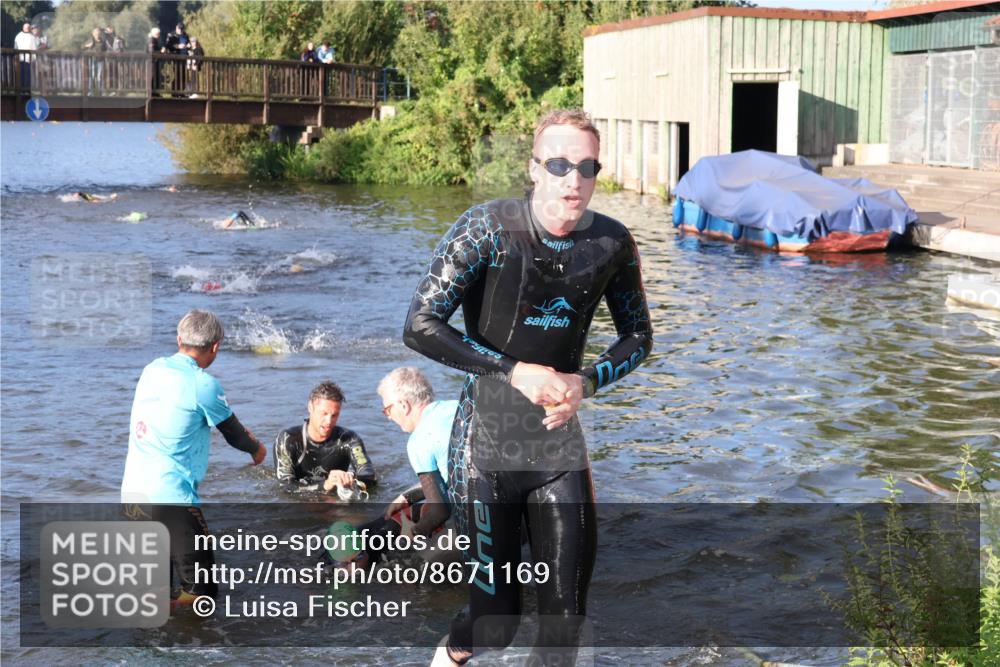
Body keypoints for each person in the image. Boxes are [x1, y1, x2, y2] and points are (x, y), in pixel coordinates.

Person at [402, 108, 654, 665]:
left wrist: (586, 382)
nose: (573, 179)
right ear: (534, 168)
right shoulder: (487, 229)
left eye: (586, 167)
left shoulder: (611, 243)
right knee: (496, 624)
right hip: (485, 448)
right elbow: (419, 325)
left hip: (558, 448)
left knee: (565, 625)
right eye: (559, 164)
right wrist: (514, 371)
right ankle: (448, 657)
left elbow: (638, 336)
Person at [121, 309, 267, 605]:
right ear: (216, 346)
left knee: (152, 591)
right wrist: (258, 450)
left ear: (179, 339)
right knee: (202, 594)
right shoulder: (203, 384)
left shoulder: (152, 369)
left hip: (132, 497)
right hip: (172, 501)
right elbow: (236, 435)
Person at [338, 368, 456, 567]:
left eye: (387, 410)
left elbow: (440, 512)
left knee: (412, 570)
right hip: (507, 505)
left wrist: (413, 533)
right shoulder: (456, 407)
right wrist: (407, 497)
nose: (389, 417)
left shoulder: (420, 440)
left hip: (483, 528)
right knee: (405, 515)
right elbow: (455, 474)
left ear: (403, 405)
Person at [273, 381, 377, 496]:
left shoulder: (349, 440)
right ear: (310, 407)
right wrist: (325, 485)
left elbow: (369, 475)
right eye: (324, 413)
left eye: (334, 415)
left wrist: (351, 479)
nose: (329, 421)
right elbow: (285, 487)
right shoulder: (287, 439)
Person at [82, 27, 107, 94]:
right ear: (93, 34)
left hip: (100, 60)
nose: (97, 34)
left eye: (98, 33)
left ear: (100, 34)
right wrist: (87, 46)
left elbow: (105, 50)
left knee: (100, 76)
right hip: (92, 60)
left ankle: (100, 91)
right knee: (92, 76)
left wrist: (104, 55)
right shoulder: (90, 40)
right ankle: (91, 91)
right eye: (96, 33)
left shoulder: (103, 41)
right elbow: (82, 47)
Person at [14, 22, 37, 89]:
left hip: (29, 60)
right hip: (20, 60)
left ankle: (27, 90)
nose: (28, 29)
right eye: (27, 28)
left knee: (28, 76)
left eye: (28, 28)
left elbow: (34, 49)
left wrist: (34, 59)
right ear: (23, 28)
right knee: (22, 75)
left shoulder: (32, 37)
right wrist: (16, 58)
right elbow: (16, 48)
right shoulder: (18, 36)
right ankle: (23, 89)